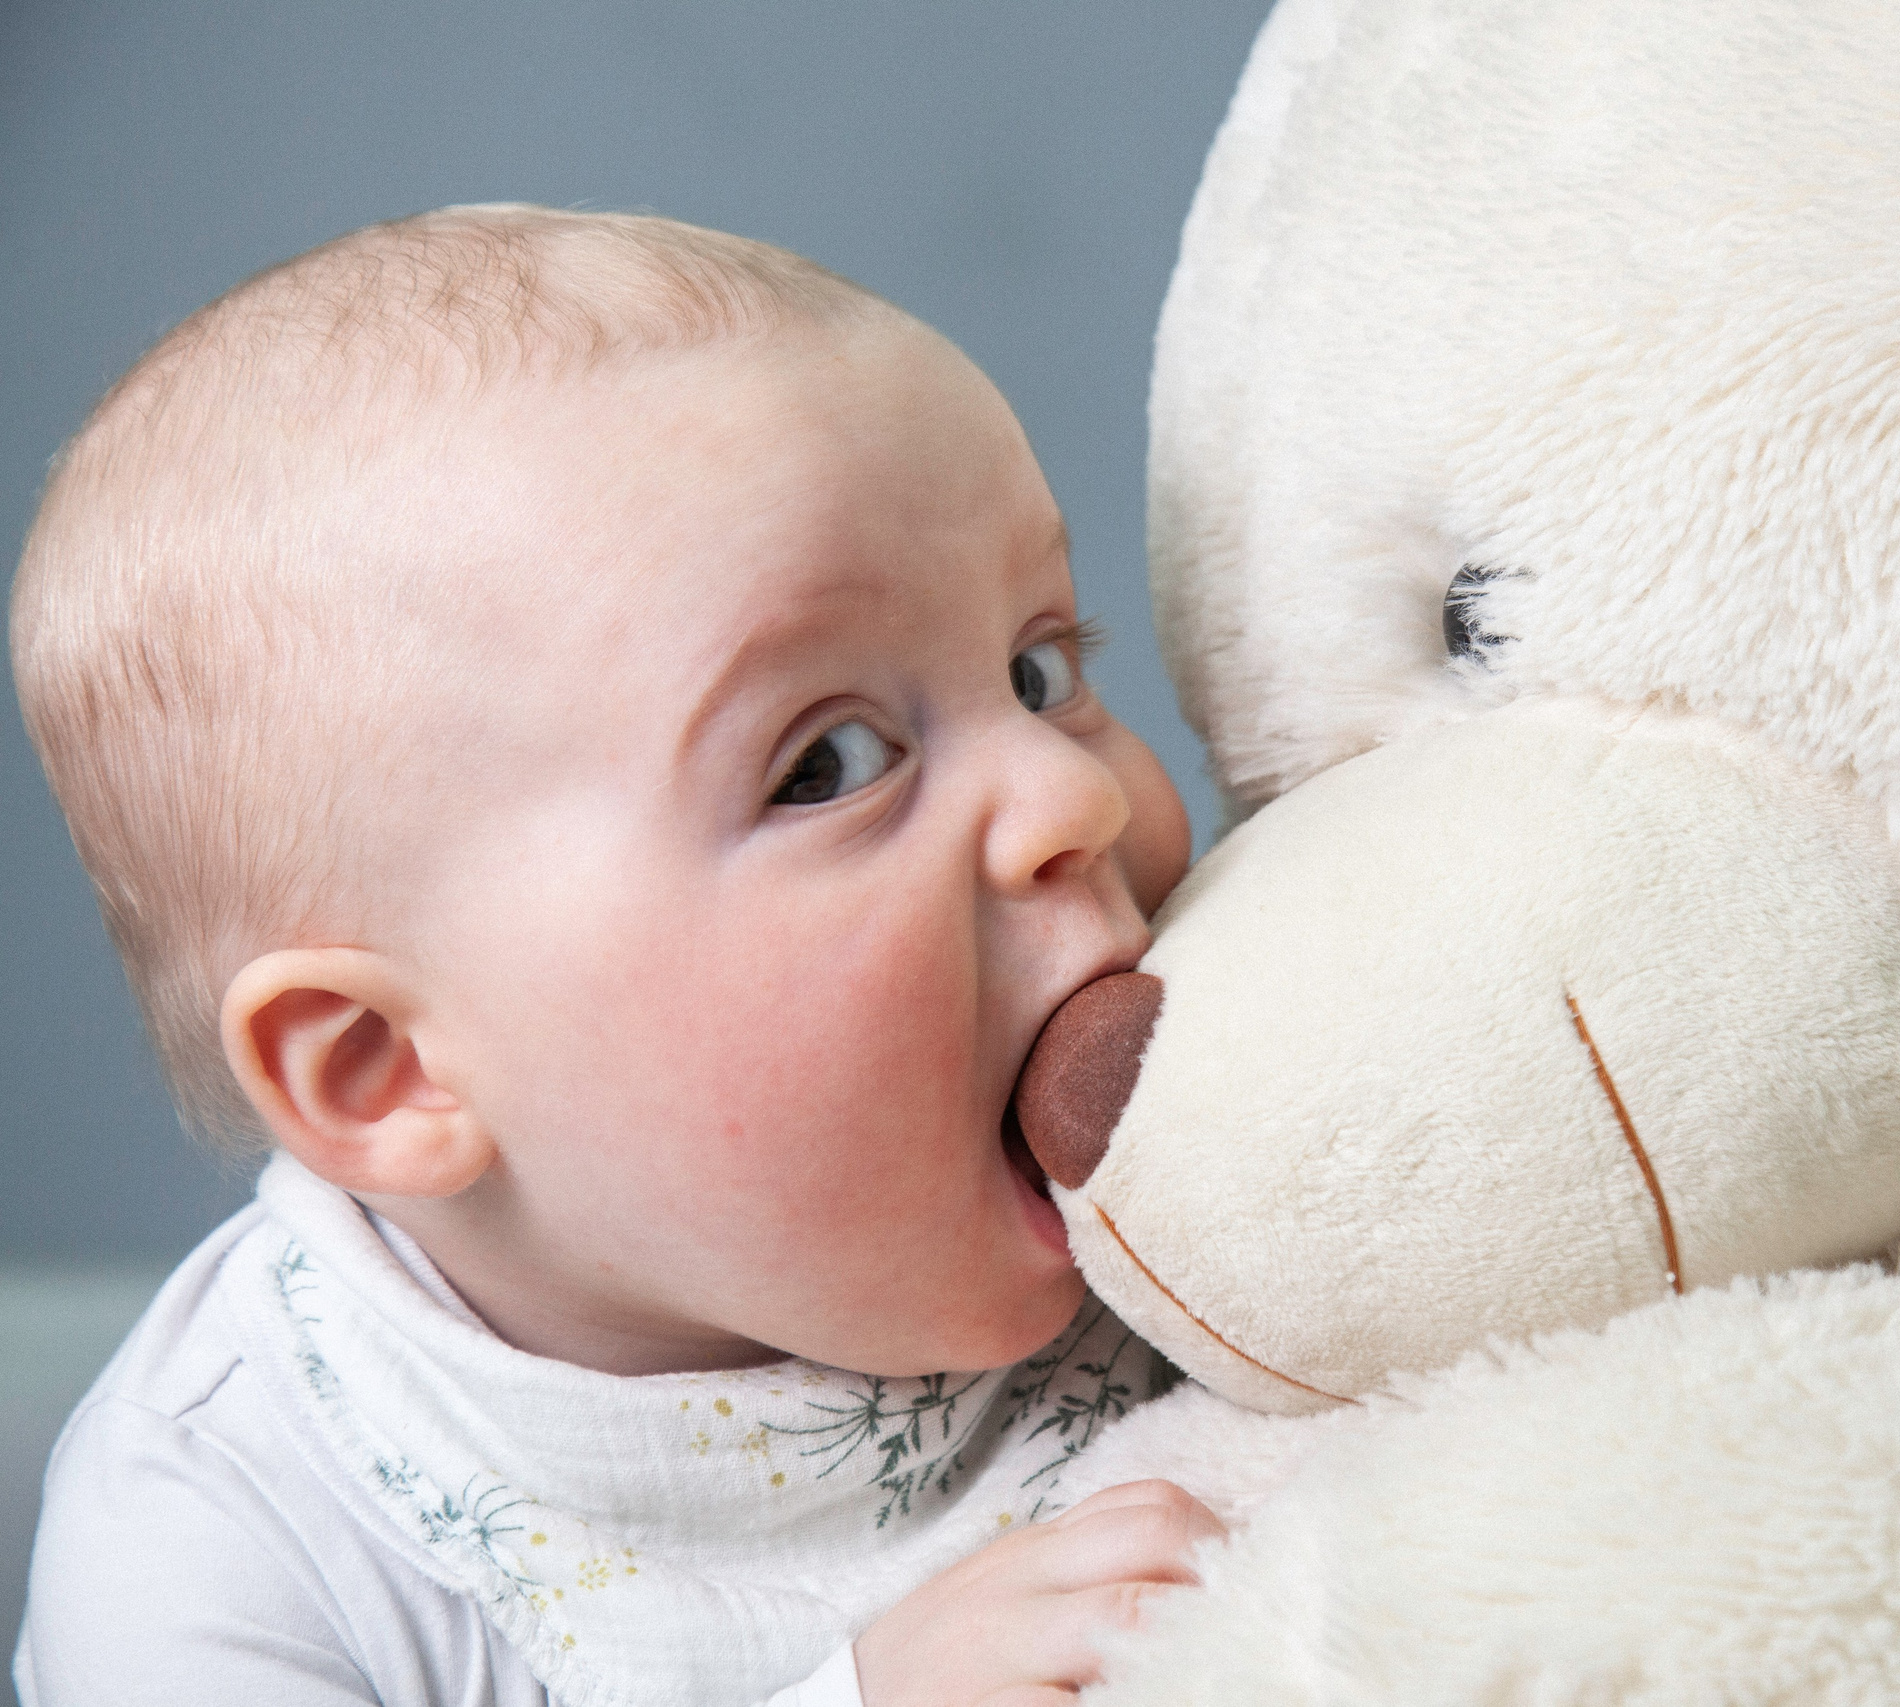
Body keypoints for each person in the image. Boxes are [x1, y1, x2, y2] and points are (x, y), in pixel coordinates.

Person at [10, 204, 1223, 1707]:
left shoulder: (1223, 1199)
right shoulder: (232, 1525)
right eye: (829, 763)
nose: (1073, 795)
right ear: (388, 1072)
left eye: (1041, 669)